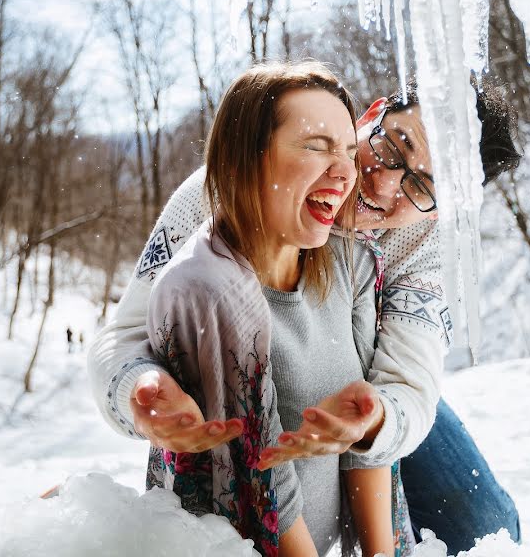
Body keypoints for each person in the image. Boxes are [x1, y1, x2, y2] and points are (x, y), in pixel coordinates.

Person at [88, 76, 522, 554]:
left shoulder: (414, 245)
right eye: (394, 146)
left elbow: (408, 383)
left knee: (484, 522)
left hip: (358, 378)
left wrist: (375, 422)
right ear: (373, 112)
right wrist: (138, 392)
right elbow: (126, 334)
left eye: (422, 186)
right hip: (242, 376)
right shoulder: (216, 200)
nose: (382, 185)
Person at [139, 61, 402, 556]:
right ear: (247, 158)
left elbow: (365, 428)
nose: (345, 172)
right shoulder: (205, 288)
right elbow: (263, 489)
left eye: (348, 150)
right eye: (315, 147)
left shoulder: (352, 261)